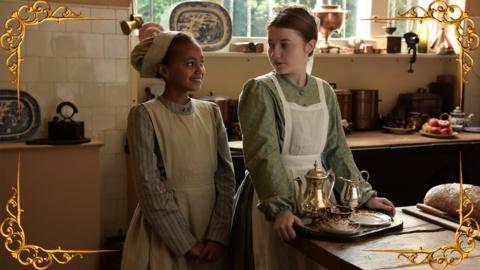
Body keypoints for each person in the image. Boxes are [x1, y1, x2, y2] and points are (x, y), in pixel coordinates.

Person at [228, 5, 395, 270]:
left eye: (285, 45)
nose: (275, 53)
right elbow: (263, 155)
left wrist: (363, 196)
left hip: (319, 197)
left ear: (310, 46)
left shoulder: (324, 90)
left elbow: (337, 150)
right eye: (271, 44)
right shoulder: (260, 90)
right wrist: (280, 208)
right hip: (270, 198)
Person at [122, 31, 235, 270]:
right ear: (164, 70)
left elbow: (226, 177)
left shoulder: (211, 112)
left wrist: (218, 235)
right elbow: (149, 188)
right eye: (189, 64)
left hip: (209, 230)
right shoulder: (144, 115)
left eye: (201, 62)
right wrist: (185, 243)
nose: (199, 70)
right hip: (165, 234)